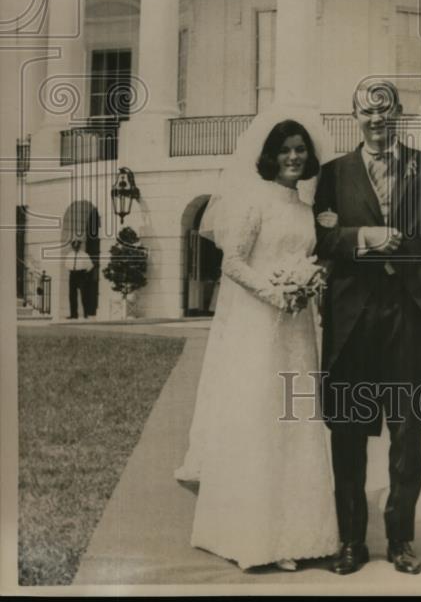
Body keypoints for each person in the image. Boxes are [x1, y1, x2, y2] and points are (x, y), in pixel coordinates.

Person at [175, 109, 339, 572]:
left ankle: (300, 533)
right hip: (258, 322)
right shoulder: (255, 200)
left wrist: (309, 282)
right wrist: (275, 291)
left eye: (300, 151)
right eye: (285, 151)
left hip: (297, 329)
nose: (293, 157)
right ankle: (252, 535)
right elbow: (232, 263)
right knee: (259, 417)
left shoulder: (307, 210)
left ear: (308, 158)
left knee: (295, 420)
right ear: (270, 156)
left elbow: (311, 257)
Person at [314, 78, 421, 576]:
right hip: (352, 318)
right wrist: (364, 237)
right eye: (366, 112)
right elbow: (320, 238)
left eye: (384, 110)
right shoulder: (333, 174)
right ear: (353, 115)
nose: (376, 120)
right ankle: (352, 541)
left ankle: (400, 540)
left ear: (398, 112)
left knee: (407, 433)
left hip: (410, 316)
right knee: (348, 432)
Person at [67, 238, 93, 320]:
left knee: (84, 295)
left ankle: (86, 314)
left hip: (82, 275)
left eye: (77, 246)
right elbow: (67, 265)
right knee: (72, 295)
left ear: (79, 246)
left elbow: (90, 266)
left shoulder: (84, 255)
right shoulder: (70, 255)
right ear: (72, 247)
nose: (76, 247)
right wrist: (72, 271)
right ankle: (73, 314)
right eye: (74, 246)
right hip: (73, 274)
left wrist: (84, 273)